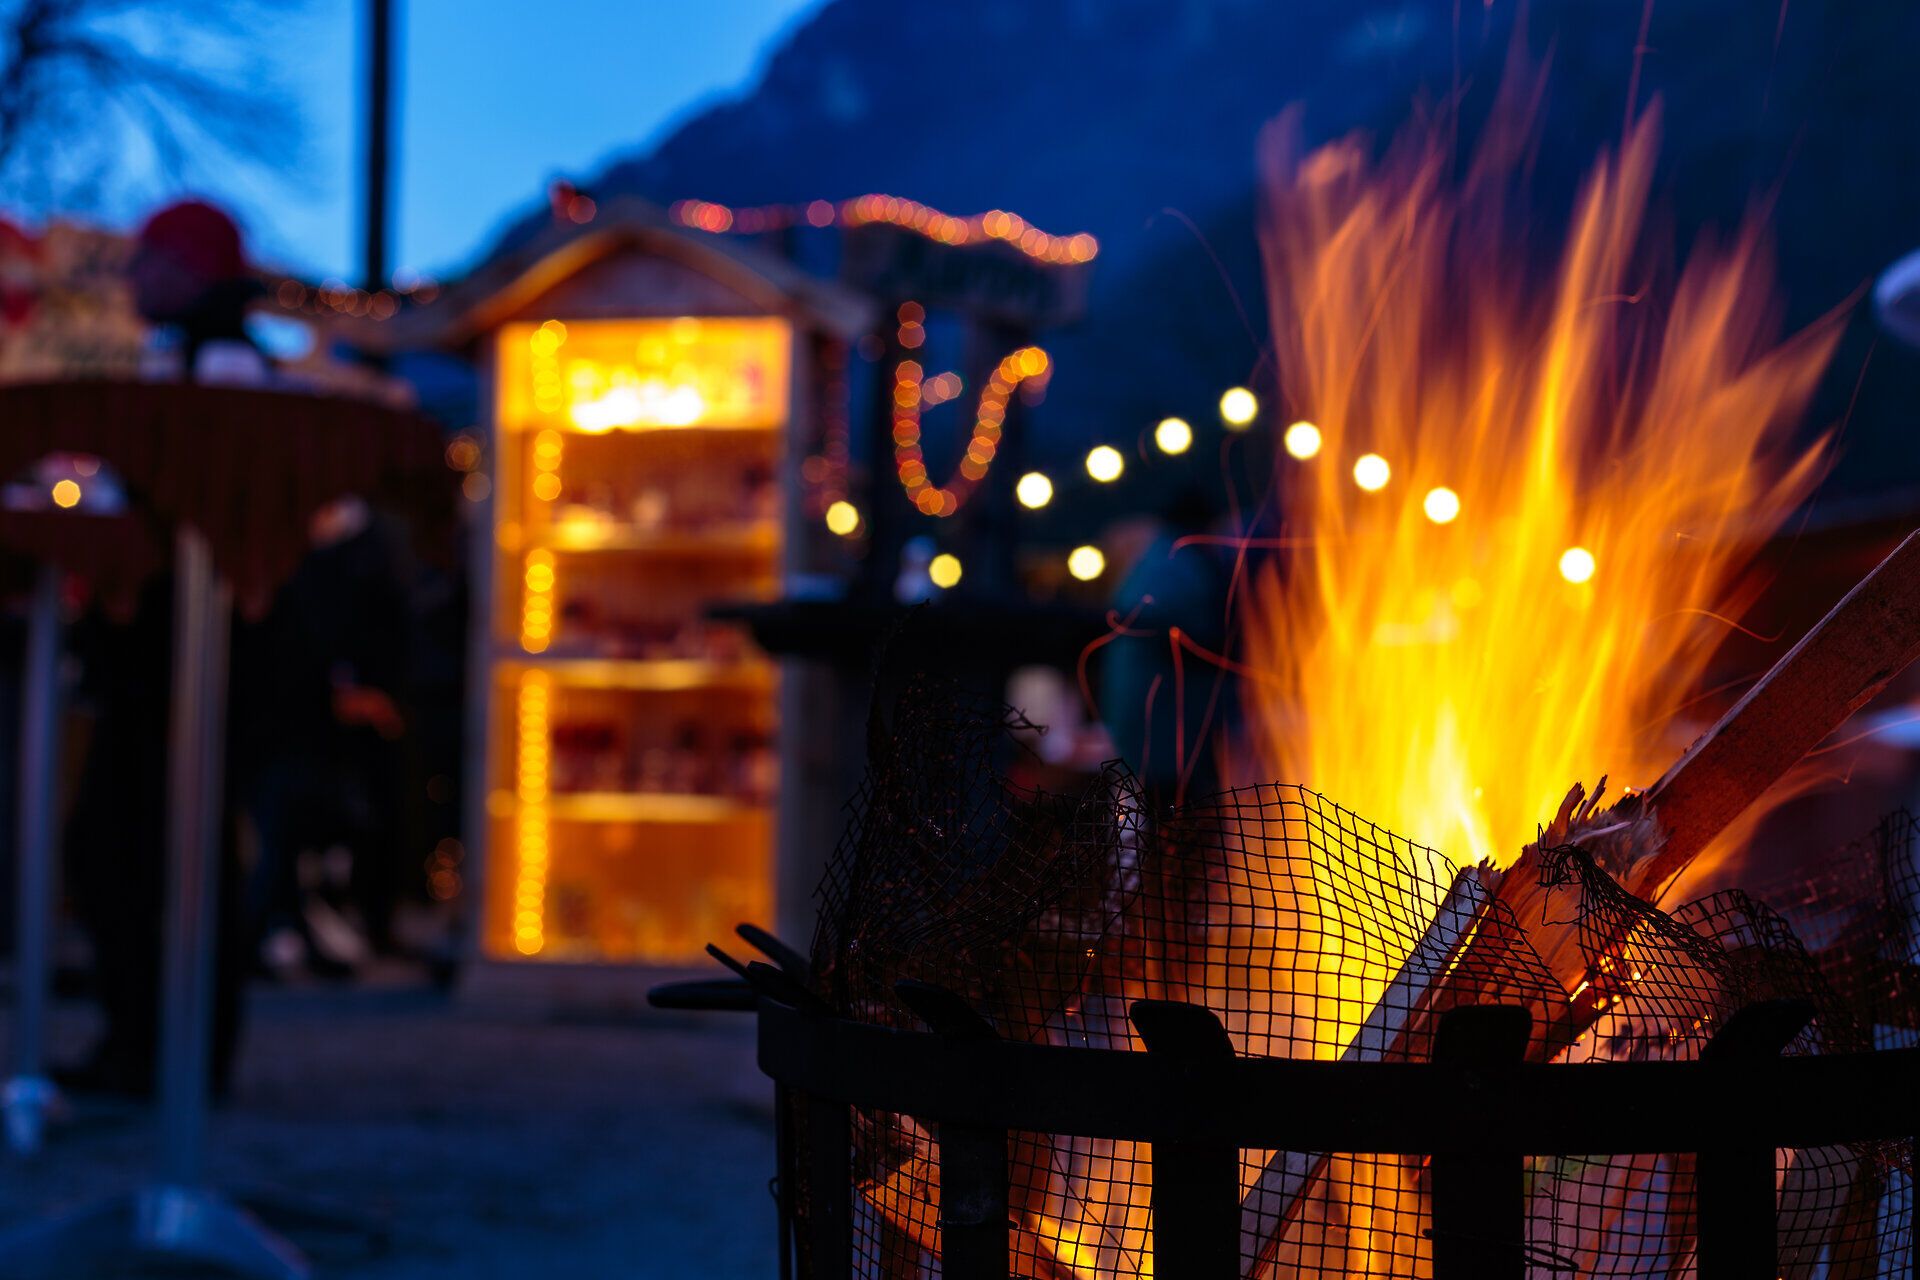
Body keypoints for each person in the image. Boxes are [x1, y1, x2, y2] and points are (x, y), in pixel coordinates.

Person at [58, 199, 265, 1098]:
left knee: (146, 850)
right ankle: (162, 1044)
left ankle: (163, 1046)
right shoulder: (194, 361)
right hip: (168, 656)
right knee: (148, 850)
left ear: (187, 269)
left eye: (149, 261)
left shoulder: (216, 369)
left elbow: (209, 514)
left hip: (180, 660)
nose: (134, 279)